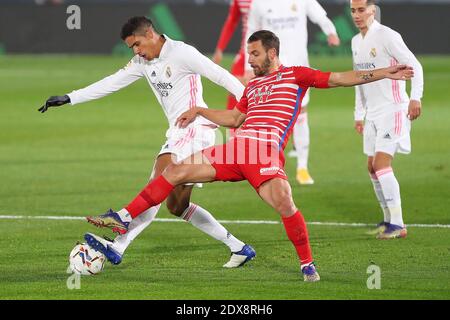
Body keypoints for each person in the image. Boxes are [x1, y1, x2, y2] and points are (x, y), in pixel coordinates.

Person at [85, 30, 413, 281]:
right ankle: (124, 216)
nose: (250, 60)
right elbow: (234, 119)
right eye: (248, 54)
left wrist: (384, 72)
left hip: (263, 153)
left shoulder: (297, 75)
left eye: (254, 54)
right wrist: (199, 110)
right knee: (174, 172)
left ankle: (307, 263)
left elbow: (341, 79)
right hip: (234, 149)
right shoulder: (252, 88)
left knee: (284, 202)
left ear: (272, 52)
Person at [38, 16, 256, 268]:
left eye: (138, 44)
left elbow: (221, 76)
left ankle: (118, 243)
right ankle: (238, 247)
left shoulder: (182, 52)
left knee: (158, 179)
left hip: (195, 129)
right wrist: (70, 97)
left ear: (151, 34)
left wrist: (249, 106)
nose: (137, 51)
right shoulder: (143, 61)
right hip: (179, 131)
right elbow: (111, 83)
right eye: (132, 48)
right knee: (177, 205)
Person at [245, 0, 341, 185]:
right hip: (270, 69)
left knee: (301, 114)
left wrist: (331, 32)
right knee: (270, 114)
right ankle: (268, 165)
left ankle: (302, 168)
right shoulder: (259, 3)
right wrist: (247, 65)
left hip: (298, 69)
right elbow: (250, 34)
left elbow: (320, 16)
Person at [350, 0, 423, 239]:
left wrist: (415, 98)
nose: (357, 15)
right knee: (371, 167)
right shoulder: (355, 42)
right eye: (353, 10)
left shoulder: (387, 36)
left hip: (394, 109)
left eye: (361, 10)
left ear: (372, 10)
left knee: (381, 164)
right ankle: (387, 219)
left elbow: (415, 65)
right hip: (372, 114)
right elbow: (359, 80)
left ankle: (398, 225)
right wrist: (359, 114)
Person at [213, 0, 253, 128]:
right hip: (246, 51)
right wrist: (220, 48)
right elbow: (232, 20)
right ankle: (233, 136)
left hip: (269, 51)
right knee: (233, 87)